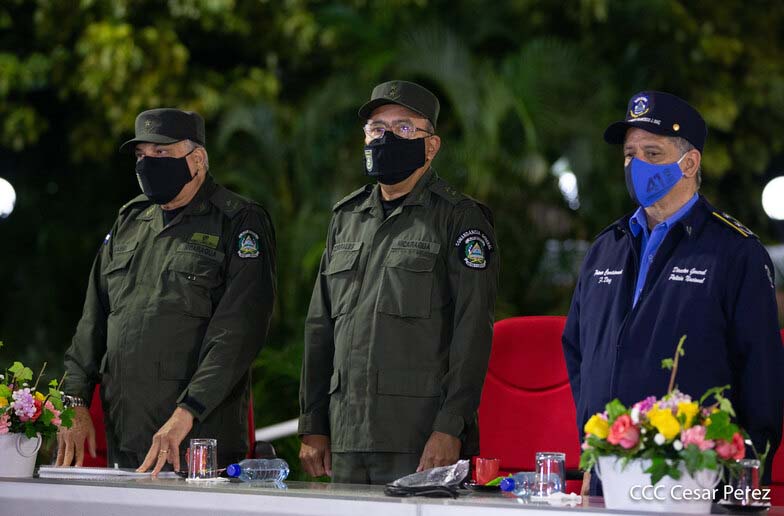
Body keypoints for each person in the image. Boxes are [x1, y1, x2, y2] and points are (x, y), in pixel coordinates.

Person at [563, 91, 783, 493]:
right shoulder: (605, 248)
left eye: (653, 153)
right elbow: (579, 351)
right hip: (609, 475)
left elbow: (761, 379)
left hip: (695, 481)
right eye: (630, 154)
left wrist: (744, 484)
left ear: (690, 163)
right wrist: (593, 441)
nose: (637, 166)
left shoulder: (735, 252)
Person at [298, 80, 499, 484]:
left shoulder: (459, 218)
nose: (386, 138)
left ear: (431, 145)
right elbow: (320, 326)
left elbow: (472, 328)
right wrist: (313, 423)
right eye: (377, 129)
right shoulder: (347, 217)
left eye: (403, 128)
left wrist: (450, 426)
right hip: (346, 432)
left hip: (419, 437)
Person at [57, 108, 276, 475]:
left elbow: (238, 333)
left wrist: (188, 411)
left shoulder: (238, 221)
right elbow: (93, 320)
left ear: (197, 159)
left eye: (161, 153)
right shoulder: (130, 221)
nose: (147, 163)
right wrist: (74, 400)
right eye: (141, 154)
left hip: (199, 439)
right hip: (126, 436)